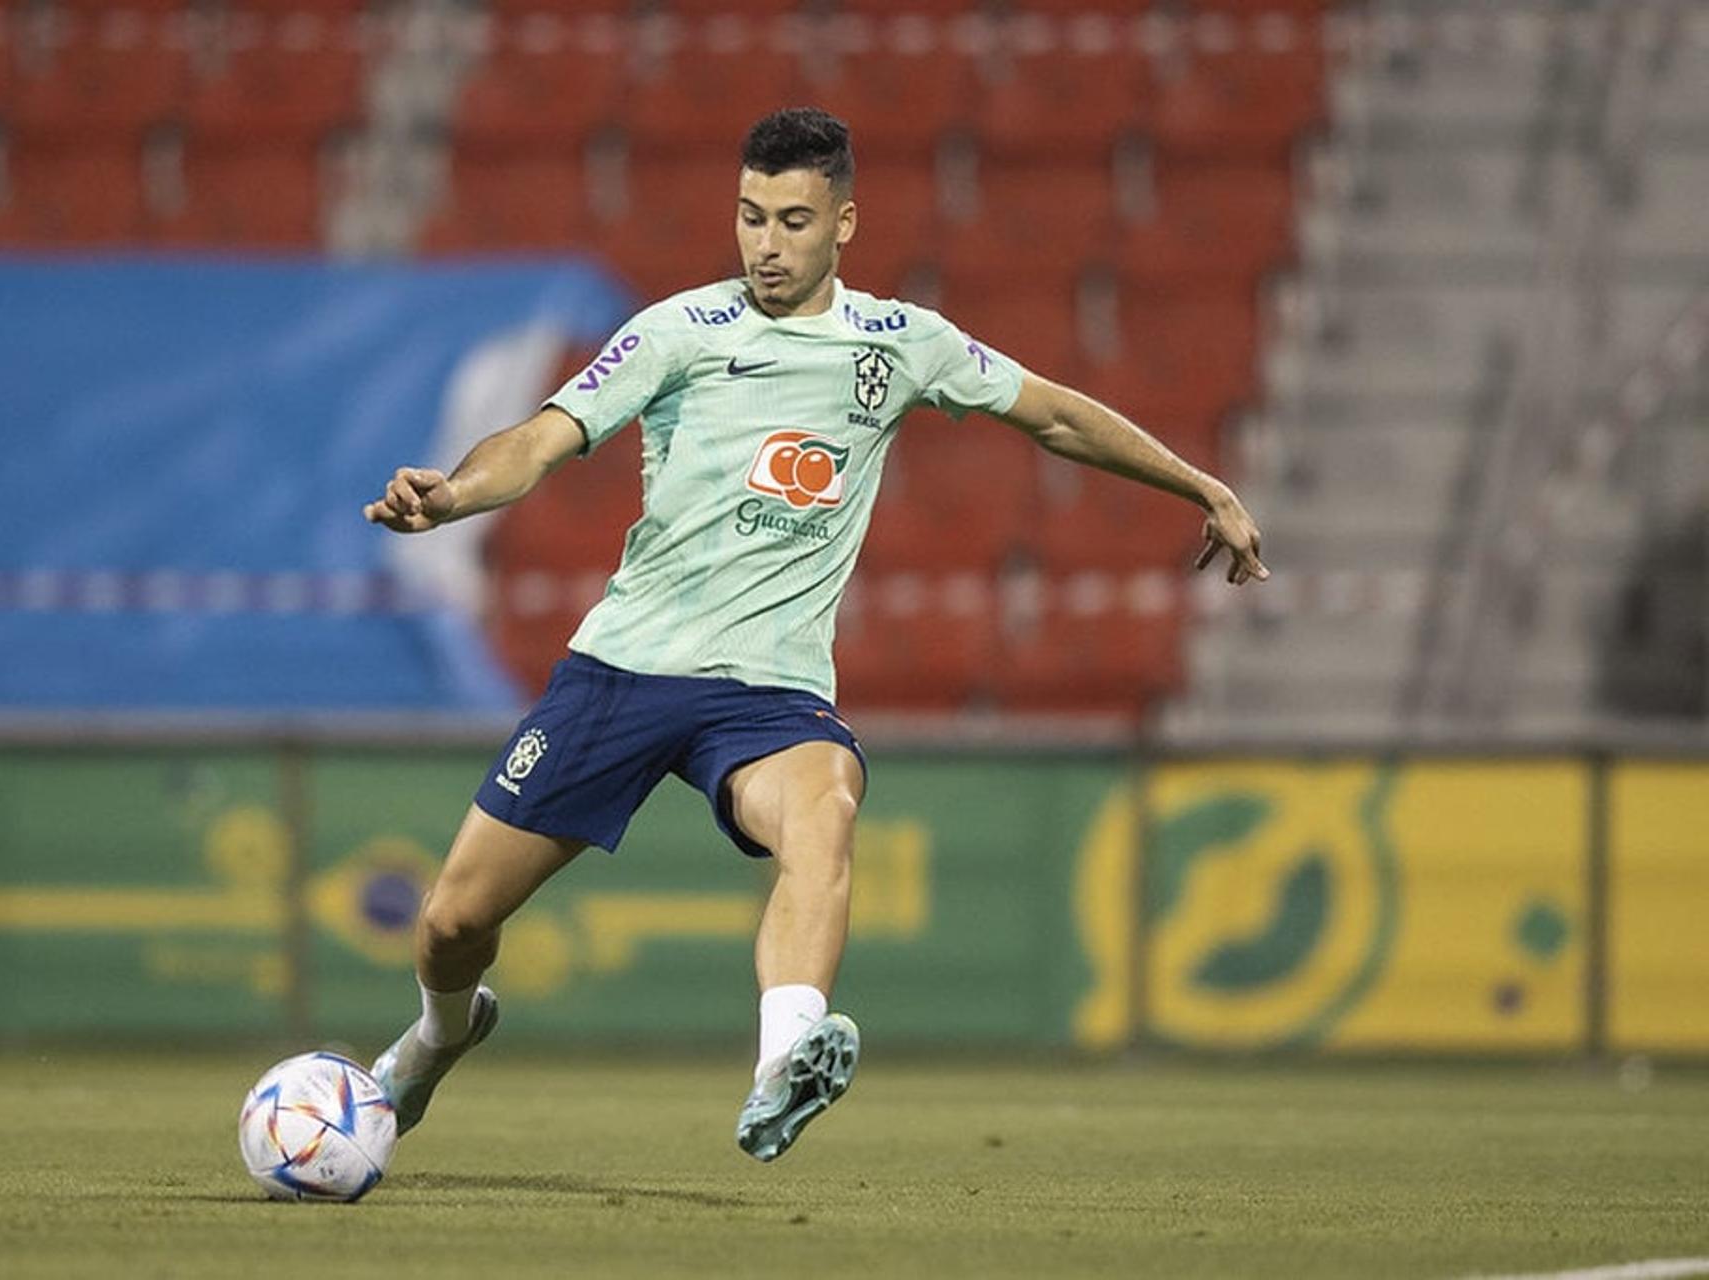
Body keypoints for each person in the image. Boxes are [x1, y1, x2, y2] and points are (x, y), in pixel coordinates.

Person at [361, 107, 1268, 1163]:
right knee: (450, 923)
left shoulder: (900, 343)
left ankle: (782, 1059)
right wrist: (456, 493)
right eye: (751, 216)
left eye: (793, 220)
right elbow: (542, 439)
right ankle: (441, 1032)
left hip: (767, 693)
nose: (766, 243)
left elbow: (1055, 415)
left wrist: (1200, 484)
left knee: (826, 804)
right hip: (622, 669)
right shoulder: (677, 331)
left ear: (846, 222)